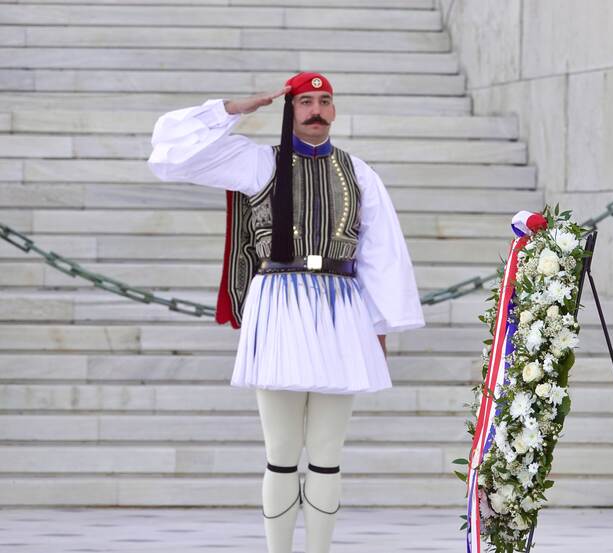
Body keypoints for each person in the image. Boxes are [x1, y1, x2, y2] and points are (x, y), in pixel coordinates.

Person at [147, 72, 424, 553]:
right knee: (280, 453)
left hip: (342, 308)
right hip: (279, 302)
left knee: (327, 453)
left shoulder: (358, 172)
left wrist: (379, 326)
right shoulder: (258, 163)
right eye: (305, 102)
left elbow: (382, 253)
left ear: (334, 111)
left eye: (325, 101)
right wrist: (236, 107)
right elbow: (173, 154)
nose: (317, 110)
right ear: (289, 110)